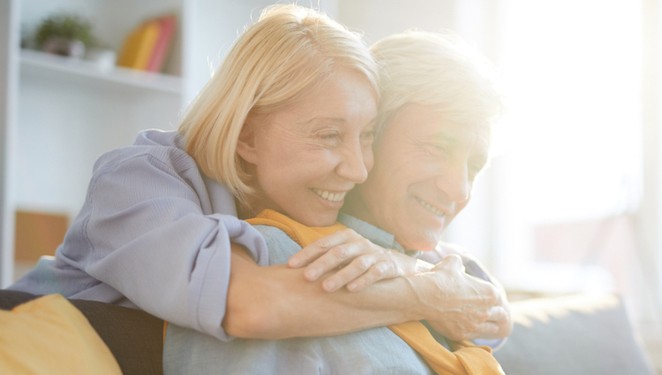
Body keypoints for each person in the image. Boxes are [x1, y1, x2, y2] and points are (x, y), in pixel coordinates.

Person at [8, 4, 506, 345]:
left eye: (365, 137)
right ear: (246, 136)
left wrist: (413, 269)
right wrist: (431, 294)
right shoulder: (138, 181)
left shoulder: (319, 203)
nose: (357, 168)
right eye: (330, 135)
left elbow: (487, 309)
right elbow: (251, 307)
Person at [164, 30, 508, 374]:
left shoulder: (452, 289)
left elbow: (489, 310)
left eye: (474, 167)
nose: (459, 189)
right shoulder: (270, 260)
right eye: (436, 148)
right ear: (367, 135)